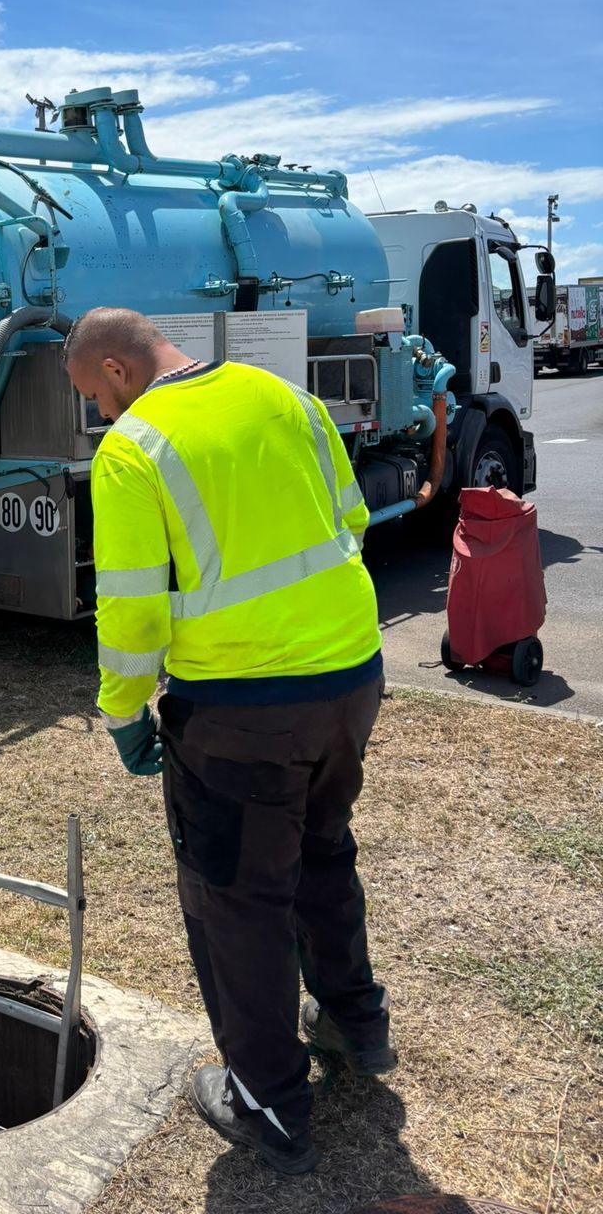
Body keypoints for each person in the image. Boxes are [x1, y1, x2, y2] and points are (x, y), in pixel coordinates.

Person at [64, 306, 394, 1176]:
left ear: (118, 369)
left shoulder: (134, 448)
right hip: (352, 677)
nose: (99, 414)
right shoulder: (287, 396)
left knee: (237, 900)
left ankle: (269, 1101)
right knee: (323, 848)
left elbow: (130, 607)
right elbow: (352, 522)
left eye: (93, 396)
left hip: (243, 710)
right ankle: (356, 1021)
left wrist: (126, 712)